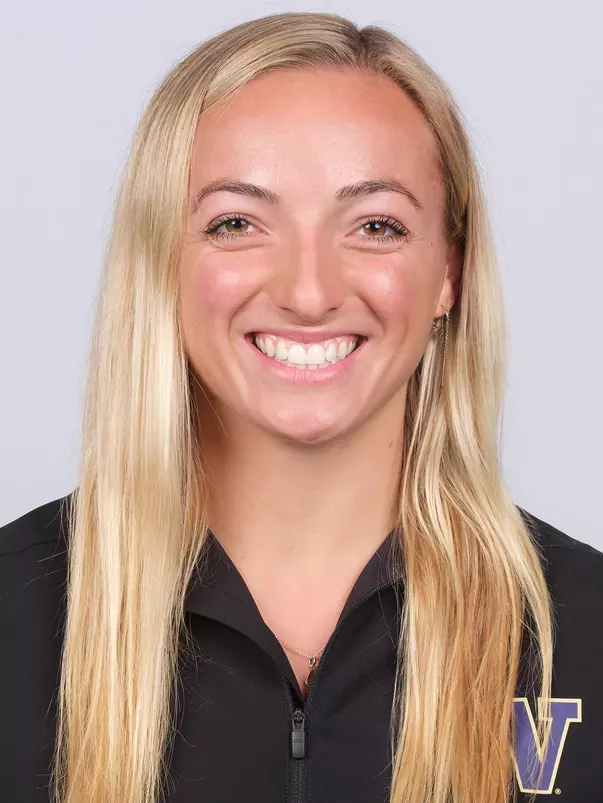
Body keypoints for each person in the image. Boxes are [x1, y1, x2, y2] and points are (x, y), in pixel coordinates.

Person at [1, 10, 601, 803]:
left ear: (449, 274)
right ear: (161, 261)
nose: (308, 292)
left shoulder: (584, 630)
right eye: (237, 223)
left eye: (376, 225)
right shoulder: (15, 618)